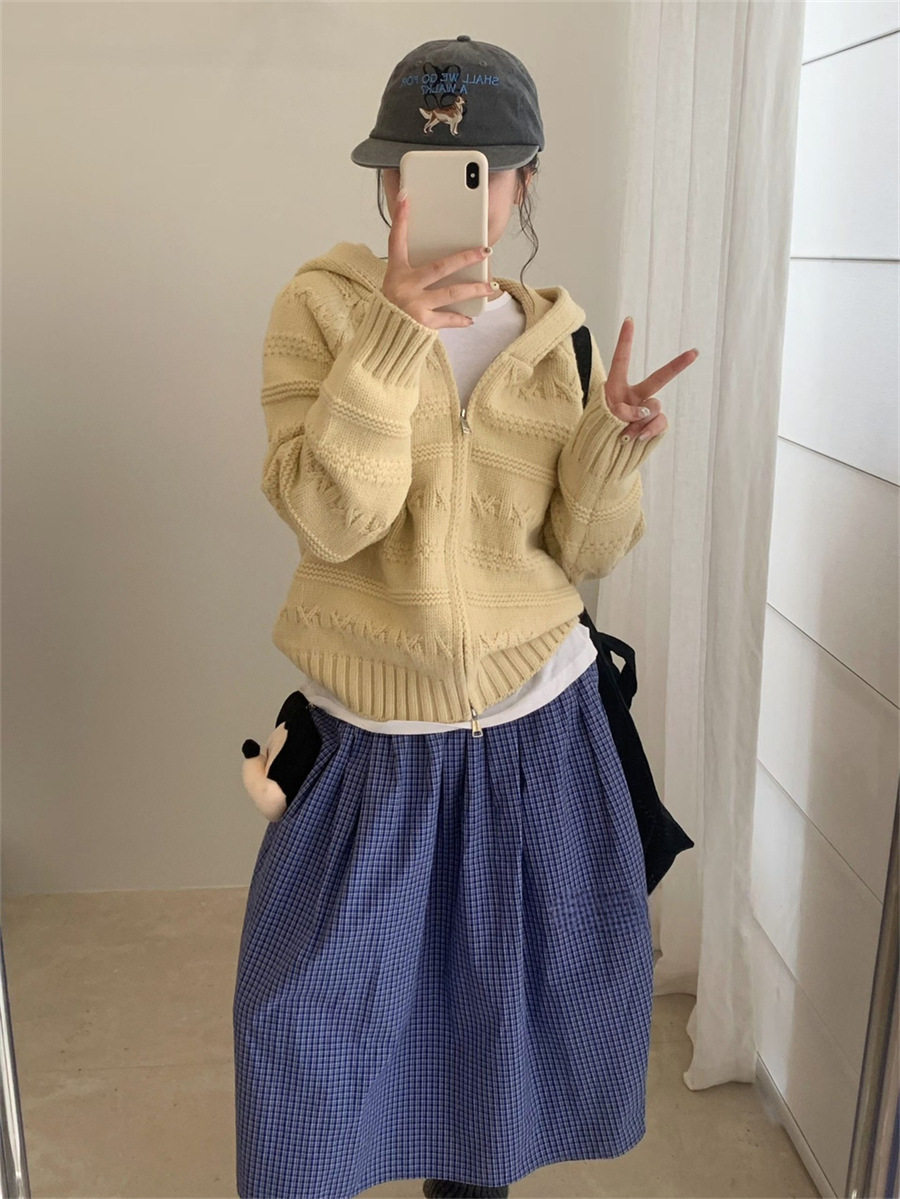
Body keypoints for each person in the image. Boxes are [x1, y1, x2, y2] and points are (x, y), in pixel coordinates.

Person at [233, 34, 696, 1199]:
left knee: (497, 1043)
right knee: (311, 1043)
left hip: (540, 730)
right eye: (416, 167)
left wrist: (613, 444)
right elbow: (332, 518)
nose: (446, 193)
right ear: (386, 179)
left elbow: (586, 550)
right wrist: (393, 339)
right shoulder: (318, 310)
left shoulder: (560, 336)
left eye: (482, 170)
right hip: (372, 749)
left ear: (524, 180)